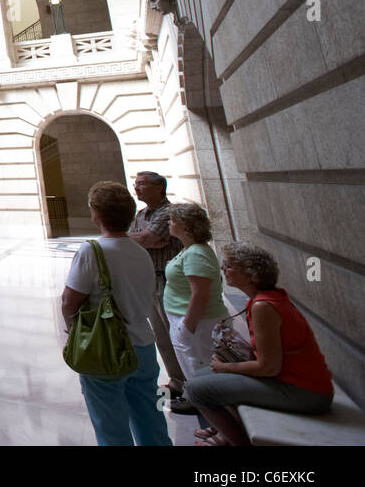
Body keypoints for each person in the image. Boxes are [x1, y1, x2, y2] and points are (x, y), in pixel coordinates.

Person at [185, 243, 334, 445]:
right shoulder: (263, 299)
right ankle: (228, 434)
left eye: (228, 266)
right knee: (201, 376)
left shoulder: (263, 306)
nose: (222, 269)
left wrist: (225, 366)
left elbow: (268, 367)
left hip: (305, 391)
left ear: (250, 275)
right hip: (297, 381)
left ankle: (238, 442)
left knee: (196, 390)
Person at [61, 181, 172, 446]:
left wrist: (73, 330)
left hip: (106, 349)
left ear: (96, 214)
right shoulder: (140, 251)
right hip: (144, 346)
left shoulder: (92, 250)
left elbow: (68, 301)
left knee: (111, 426)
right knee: (152, 419)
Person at [162, 203, 227, 439]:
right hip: (192, 323)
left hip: (198, 326)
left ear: (186, 226)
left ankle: (224, 431)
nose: (169, 223)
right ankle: (217, 424)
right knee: (198, 375)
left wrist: (186, 328)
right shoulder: (190, 249)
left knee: (202, 376)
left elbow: (200, 295)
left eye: (172, 220)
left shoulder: (197, 253)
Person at [127, 171, 188, 409]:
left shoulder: (169, 212)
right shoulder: (141, 214)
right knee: (161, 336)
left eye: (142, 185)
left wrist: (142, 238)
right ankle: (177, 381)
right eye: (136, 185)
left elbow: (146, 238)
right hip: (148, 281)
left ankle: (193, 385)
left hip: (169, 281)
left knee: (177, 334)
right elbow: (137, 239)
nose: (137, 189)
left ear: (159, 188)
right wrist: (141, 239)